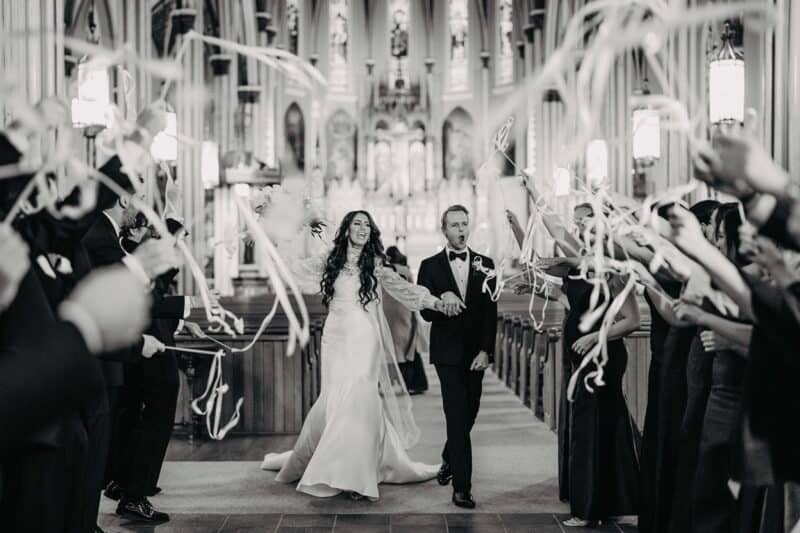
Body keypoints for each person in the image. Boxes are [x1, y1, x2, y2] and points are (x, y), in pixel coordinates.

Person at [261, 210, 448, 501]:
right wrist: (276, 237)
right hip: (335, 336)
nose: (362, 228)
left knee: (359, 396)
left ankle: (355, 474)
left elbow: (404, 290)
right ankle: (335, 462)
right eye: (356, 223)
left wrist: (435, 302)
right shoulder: (329, 260)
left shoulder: (376, 265)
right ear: (347, 228)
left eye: (366, 225)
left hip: (363, 336)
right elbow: (294, 270)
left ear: (371, 232)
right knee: (335, 397)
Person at [417, 205, 498, 509]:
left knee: (471, 410)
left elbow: (491, 313)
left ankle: (450, 457)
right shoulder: (429, 266)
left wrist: (486, 351)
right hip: (447, 353)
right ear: (444, 230)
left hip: (475, 352)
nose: (461, 230)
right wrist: (440, 301)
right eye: (455, 225)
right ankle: (462, 488)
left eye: (465, 224)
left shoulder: (485, 263)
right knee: (456, 414)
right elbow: (424, 312)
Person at [384, 245, 428, 395]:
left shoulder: (383, 271)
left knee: (392, 345)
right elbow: (412, 290)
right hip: (404, 310)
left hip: (387, 311)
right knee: (408, 346)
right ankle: (412, 382)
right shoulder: (405, 271)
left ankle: (392, 381)